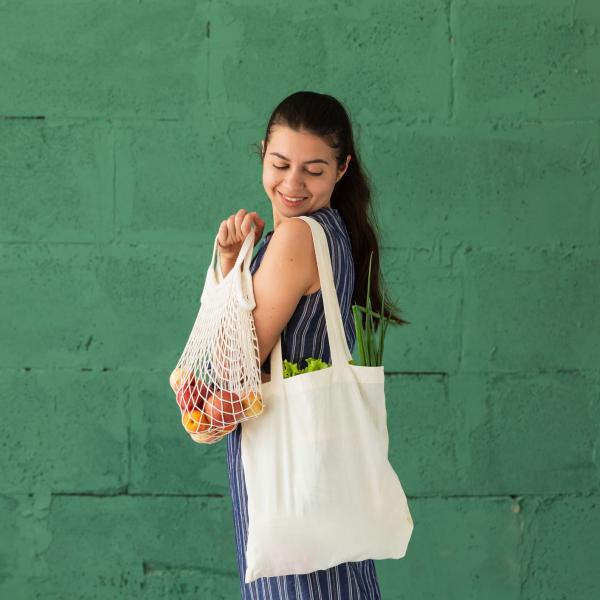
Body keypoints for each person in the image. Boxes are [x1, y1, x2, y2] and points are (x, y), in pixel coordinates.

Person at [216, 91, 409, 600]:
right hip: (321, 483)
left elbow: (232, 365)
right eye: (280, 164)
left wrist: (227, 268)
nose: (292, 184)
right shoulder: (335, 232)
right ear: (262, 154)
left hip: (291, 482)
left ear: (342, 168)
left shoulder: (297, 239)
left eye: (314, 170)